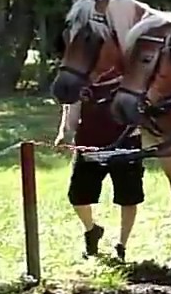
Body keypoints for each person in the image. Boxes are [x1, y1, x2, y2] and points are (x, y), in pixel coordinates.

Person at [54, 75, 146, 261]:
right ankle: (92, 230)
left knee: (128, 197)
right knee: (78, 197)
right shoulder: (81, 75)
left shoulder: (131, 72)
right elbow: (71, 105)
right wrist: (64, 132)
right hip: (89, 144)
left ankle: (121, 246)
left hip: (125, 144)